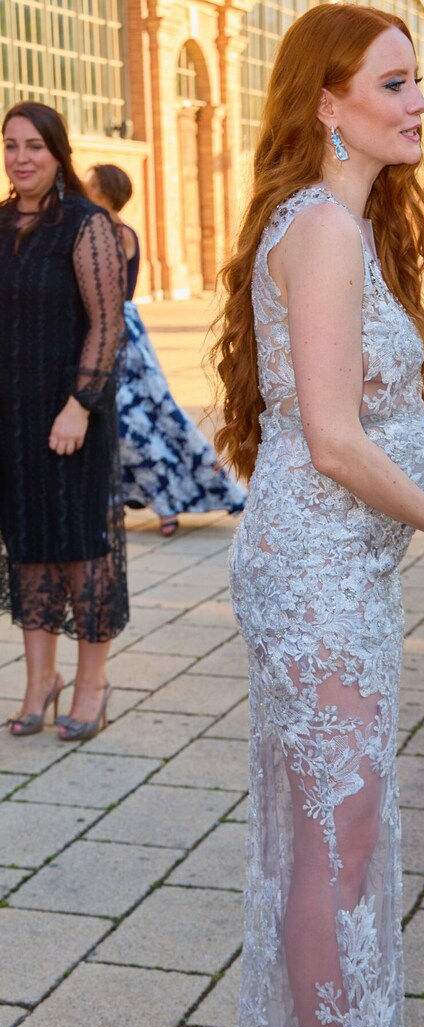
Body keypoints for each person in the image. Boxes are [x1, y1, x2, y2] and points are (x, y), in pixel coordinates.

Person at [209, 6, 424, 1027]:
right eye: (394, 84)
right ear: (328, 103)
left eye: (416, 83)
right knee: (335, 840)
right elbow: (326, 439)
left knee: (334, 833)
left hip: (341, 564)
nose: (416, 106)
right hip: (315, 569)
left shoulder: (343, 225)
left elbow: (366, 418)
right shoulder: (316, 228)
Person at [0, 102, 127, 740]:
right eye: (11, 146)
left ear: (58, 154)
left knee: (81, 550)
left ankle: (91, 686)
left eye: (34, 147)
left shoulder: (86, 223)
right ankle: (38, 682)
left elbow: (107, 324)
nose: (21, 158)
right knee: (26, 548)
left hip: (72, 412)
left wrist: (81, 403)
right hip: (12, 417)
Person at [84, 164, 247, 537]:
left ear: (105, 193)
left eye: (90, 185)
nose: (84, 188)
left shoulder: (114, 233)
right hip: (112, 331)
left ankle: (168, 499)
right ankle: (125, 502)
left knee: (139, 420)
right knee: (121, 422)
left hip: (121, 336)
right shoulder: (101, 230)